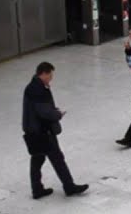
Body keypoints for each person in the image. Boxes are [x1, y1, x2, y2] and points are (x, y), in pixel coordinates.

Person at [22, 62, 89, 199]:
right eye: (50, 75)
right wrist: (58, 114)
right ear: (44, 73)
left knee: (37, 159)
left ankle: (37, 189)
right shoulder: (38, 90)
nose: (51, 78)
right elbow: (43, 112)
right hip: (43, 131)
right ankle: (69, 186)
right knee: (57, 159)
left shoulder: (33, 87)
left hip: (34, 131)